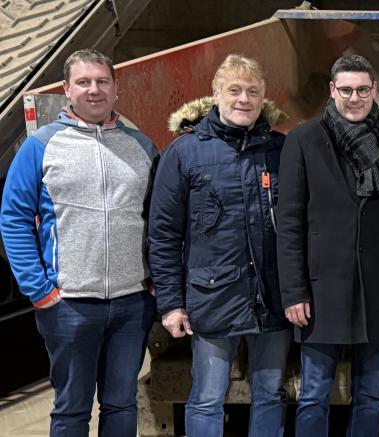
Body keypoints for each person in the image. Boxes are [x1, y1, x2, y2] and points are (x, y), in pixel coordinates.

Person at [0, 49, 158, 436]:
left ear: (116, 88)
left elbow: (160, 218)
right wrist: (40, 290)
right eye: (83, 82)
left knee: (122, 404)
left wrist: (155, 279)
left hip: (132, 303)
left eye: (102, 81)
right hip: (68, 304)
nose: (94, 89)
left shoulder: (141, 146)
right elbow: (13, 219)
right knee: (72, 410)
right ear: (67, 89)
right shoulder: (40, 146)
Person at [276, 54, 379, 437]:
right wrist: (294, 292)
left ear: (374, 90)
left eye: (361, 90)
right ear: (332, 90)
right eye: (346, 90)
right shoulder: (303, 140)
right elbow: (289, 223)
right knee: (313, 396)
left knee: (371, 397)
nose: (354, 98)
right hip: (322, 292)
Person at [148, 54, 292, 437]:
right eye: (235, 90)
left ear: (263, 98)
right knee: (207, 398)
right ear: (215, 94)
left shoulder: (281, 151)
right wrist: (171, 303)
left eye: (253, 92)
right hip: (212, 297)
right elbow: (163, 235)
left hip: (272, 297)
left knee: (270, 394)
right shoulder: (184, 153)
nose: (244, 99)